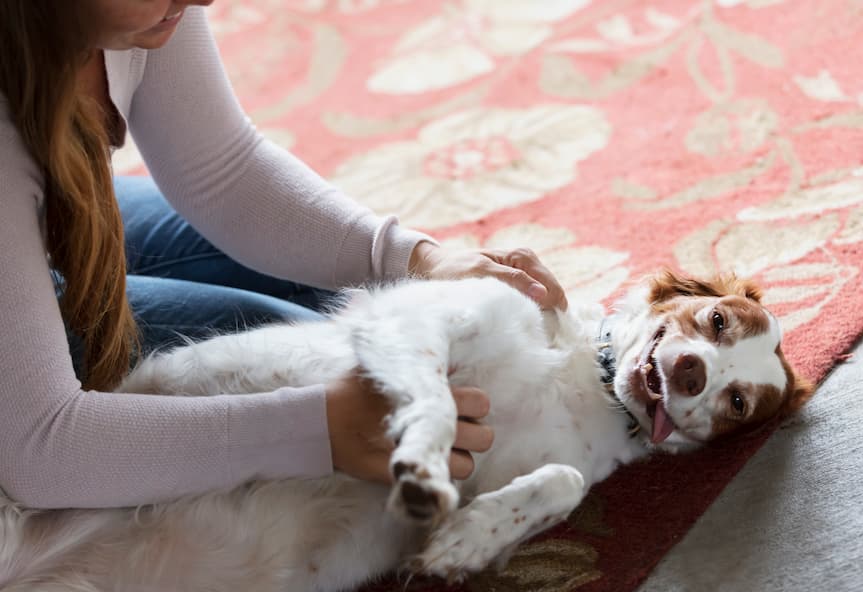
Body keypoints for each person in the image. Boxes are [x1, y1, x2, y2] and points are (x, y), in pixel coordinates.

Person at [0, 0, 567, 509]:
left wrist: (418, 261)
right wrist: (319, 428)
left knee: (366, 303)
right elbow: (43, 449)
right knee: (306, 359)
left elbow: (224, 172)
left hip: (40, 204)